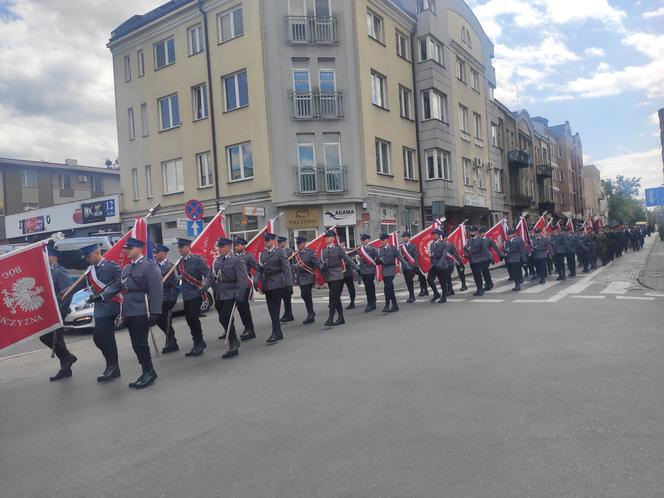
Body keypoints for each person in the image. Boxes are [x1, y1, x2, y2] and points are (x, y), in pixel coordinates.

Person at [99, 238, 162, 389]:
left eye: (130, 248)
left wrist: (156, 311)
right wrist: (102, 295)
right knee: (136, 344)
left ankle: (150, 372)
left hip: (142, 310)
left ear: (139, 249)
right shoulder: (127, 268)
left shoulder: (149, 266)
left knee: (140, 343)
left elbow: (156, 289)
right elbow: (119, 286)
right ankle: (145, 371)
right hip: (129, 311)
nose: (127, 251)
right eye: (126, 249)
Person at [74, 243, 123, 382]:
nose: (87, 259)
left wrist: (103, 295)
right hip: (99, 309)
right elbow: (83, 285)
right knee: (99, 339)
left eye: (88, 256)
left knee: (105, 337)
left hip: (110, 305)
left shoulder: (111, 266)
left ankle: (113, 367)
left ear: (97, 252)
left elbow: (121, 282)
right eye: (86, 258)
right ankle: (111, 366)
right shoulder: (90, 270)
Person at [205, 238, 249, 359]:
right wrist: (204, 287)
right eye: (219, 247)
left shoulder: (237, 260)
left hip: (232, 292)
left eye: (222, 247)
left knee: (225, 316)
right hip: (219, 293)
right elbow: (210, 276)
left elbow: (242, 280)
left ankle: (233, 343)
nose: (219, 249)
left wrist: (239, 295)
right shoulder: (216, 261)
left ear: (229, 247)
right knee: (223, 318)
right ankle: (234, 339)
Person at [39, 247, 78, 381]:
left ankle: (67, 359)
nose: (45, 258)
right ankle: (66, 367)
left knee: (47, 337)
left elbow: (68, 292)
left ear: (54, 257)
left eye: (47, 256)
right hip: (51, 312)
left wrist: (61, 310)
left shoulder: (58, 272)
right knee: (57, 339)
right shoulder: (48, 271)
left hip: (58, 311)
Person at [175, 238, 211, 357]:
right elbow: (181, 276)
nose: (180, 249)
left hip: (195, 293)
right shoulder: (179, 262)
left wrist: (204, 285)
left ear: (189, 247)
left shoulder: (197, 259)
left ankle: (199, 343)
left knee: (193, 318)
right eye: (179, 247)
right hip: (186, 295)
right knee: (189, 319)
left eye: (182, 247)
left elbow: (208, 274)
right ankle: (198, 342)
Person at [255, 232, 293, 343]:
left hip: (277, 283)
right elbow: (259, 269)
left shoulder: (279, 252)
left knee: (275, 309)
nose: (265, 242)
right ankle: (278, 332)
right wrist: (256, 280)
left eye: (267, 241)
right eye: (264, 241)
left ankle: (276, 332)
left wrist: (289, 285)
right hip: (267, 284)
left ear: (273, 241)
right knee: (271, 309)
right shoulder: (262, 254)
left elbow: (286, 269)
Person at [321, 230, 360, 326]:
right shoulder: (323, 250)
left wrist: (357, 269)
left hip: (337, 275)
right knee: (336, 297)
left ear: (333, 238)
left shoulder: (338, 249)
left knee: (332, 296)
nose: (326, 238)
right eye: (325, 237)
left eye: (328, 237)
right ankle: (341, 317)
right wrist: (321, 266)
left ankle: (331, 318)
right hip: (328, 276)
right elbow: (320, 262)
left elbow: (348, 259)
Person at [154, 244, 178, 353]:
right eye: (154, 252)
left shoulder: (170, 267)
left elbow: (175, 285)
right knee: (158, 320)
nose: (155, 255)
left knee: (166, 321)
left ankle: (171, 341)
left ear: (163, 253)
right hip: (156, 299)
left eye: (157, 253)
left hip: (166, 297)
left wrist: (172, 299)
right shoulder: (153, 266)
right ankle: (171, 339)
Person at [233, 237, 258, 341]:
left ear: (244, 246)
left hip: (245, 284)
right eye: (235, 245)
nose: (236, 247)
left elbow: (257, 268)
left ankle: (250, 329)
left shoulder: (248, 256)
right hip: (236, 286)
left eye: (238, 245)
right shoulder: (233, 257)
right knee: (240, 308)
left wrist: (257, 279)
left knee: (244, 306)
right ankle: (246, 327)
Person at [377, 234, 409, 312]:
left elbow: (400, 258)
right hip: (384, 270)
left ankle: (387, 305)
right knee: (389, 288)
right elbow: (378, 260)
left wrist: (408, 267)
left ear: (387, 240)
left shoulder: (392, 249)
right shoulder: (380, 249)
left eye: (383, 240)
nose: (382, 242)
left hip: (391, 269)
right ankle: (395, 305)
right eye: (381, 240)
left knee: (387, 287)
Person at [292, 236, 320, 324]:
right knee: (304, 296)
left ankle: (310, 314)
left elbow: (316, 263)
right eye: (297, 243)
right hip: (300, 277)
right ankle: (311, 312)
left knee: (306, 294)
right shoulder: (296, 254)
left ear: (304, 244)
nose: (298, 245)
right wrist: (296, 266)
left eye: (299, 243)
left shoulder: (310, 253)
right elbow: (293, 265)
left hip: (308, 276)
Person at [430, 230, 463, 303]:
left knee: (442, 282)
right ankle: (436, 293)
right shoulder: (432, 244)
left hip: (442, 265)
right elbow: (432, 255)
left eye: (435, 235)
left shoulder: (443, 244)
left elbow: (444, 255)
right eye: (433, 235)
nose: (434, 236)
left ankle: (443, 297)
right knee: (429, 279)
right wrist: (431, 258)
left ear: (439, 236)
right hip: (434, 265)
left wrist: (440, 264)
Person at [464, 226, 498, 296]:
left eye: (473, 231)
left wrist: (490, 259)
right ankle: (478, 288)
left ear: (476, 232)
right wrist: (466, 254)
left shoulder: (480, 240)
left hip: (479, 260)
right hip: (472, 260)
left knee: (478, 275)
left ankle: (480, 289)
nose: (471, 233)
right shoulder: (469, 240)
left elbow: (485, 250)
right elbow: (466, 248)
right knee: (475, 276)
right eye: (470, 232)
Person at [399, 231, 426, 303]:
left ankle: (416, 294)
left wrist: (415, 266)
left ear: (408, 237)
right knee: (408, 282)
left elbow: (415, 256)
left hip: (411, 266)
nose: (404, 238)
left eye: (405, 237)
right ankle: (411, 296)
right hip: (405, 267)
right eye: (403, 237)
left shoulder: (413, 246)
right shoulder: (401, 246)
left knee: (414, 280)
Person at [356, 234, 378, 312]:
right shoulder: (360, 249)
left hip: (370, 270)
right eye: (362, 240)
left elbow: (377, 257)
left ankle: (371, 303)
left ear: (368, 240)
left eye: (364, 240)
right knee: (367, 287)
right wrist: (360, 259)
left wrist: (371, 262)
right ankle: (372, 301)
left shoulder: (372, 248)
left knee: (369, 287)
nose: (362, 241)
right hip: (363, 271)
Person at [277, 236, 295, 323]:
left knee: (287, 297)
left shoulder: (289, 251)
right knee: (284, 298)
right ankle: (288, 313)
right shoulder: (277, 252)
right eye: (279, 242)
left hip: (287, 276)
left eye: (282, 242)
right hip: (280, 278)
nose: (280, 244)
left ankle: (288, 314)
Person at [340, 242, 357, 310]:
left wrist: (344, 264)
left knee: (351, 288)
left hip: (348, 273)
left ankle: (352, 302)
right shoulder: (337, 251)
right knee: (338, 289)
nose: (342, 245)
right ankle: (335, 302)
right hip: (340, 274)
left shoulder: (347, 252)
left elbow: (350, 261)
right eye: (341, 244)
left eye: (343, 244)